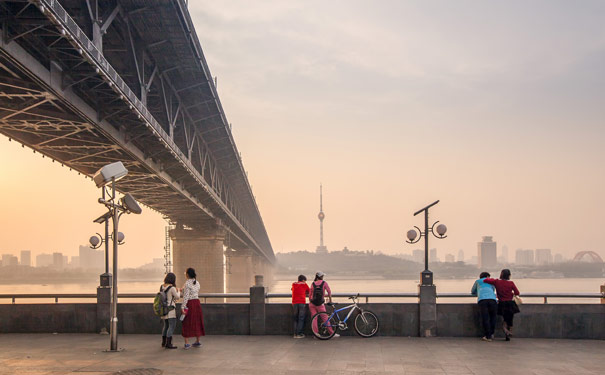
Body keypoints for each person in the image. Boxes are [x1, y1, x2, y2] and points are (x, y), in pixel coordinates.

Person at [484, 269, 520, 341]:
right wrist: (511, 294)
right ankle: (508, 333)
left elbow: (485, 280)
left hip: (501, 303)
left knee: (504, 318)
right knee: (509, 319)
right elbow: (517, 292)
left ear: (501, 274)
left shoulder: (497, 282)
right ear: (509, 275)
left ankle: (505, 330)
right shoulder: (511, 283)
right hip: (510, 303)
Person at [180, 267, 205, 349]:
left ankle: (187, 343)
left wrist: (183, 307)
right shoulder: (197, 283)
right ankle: (197, 341)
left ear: (187, 274)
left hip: (190, 303)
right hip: (197, 303)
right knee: (197, 321)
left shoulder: (187, 283)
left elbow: (186, 296)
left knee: (187, 322)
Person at [309, 271, 339, 338]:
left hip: (312, 304)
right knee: (325, 318)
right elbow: (329, 291)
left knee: (314, 319)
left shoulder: (313, 283)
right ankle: (331, 333)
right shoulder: (324, 283)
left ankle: (316, 334)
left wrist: (311, 301)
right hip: (320, 304)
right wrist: (330, 300)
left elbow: (310, 294)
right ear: (321, 277)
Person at [471, 272, 497, 342]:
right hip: (492, 300)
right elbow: (493, 289)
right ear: (488, 276)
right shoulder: (491, 281)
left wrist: (479, 292)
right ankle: (491, 334)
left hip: (482, 300)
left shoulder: (478, 281)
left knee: (485, 318)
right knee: (493, 317)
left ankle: (487, 336)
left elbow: (472, 291)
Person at [161, 272, 180, 349]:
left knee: (166, 326)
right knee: (171, 326)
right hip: (171, 309)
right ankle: (168, 343)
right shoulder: (172, 288)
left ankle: (163, 342)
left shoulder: (162, 287)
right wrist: (178, 291)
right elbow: (177, 297)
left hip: (164, 309)